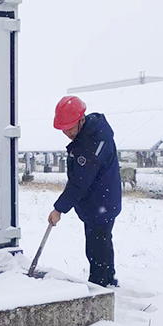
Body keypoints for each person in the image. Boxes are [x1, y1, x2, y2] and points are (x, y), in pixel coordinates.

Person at [47, 95, 121, 287]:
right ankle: (108, 281)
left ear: (81, 120)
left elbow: (80, 182)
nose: (66, 132)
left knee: (97, 247)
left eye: (69, 128)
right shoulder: (90, 133)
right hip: (98, 202)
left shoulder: (94, 143)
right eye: (63, 129)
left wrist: (59, 209)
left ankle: (99, 287)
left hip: (102, 202)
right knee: (102, 242)